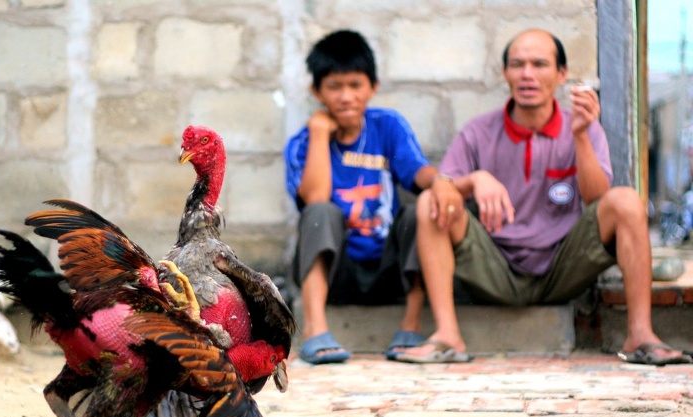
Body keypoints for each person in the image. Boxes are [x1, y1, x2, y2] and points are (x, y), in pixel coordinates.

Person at [391, 28, 692, 365]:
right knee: (432, 203)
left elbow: (597, 199)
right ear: (505, 73)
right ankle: (448, 335)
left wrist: (579, 137)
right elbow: (442, 186)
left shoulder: (584, 126)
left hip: (562, 267)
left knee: (624, 200)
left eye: (539, 64)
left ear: (561, 74)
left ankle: (640, 335)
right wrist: (474, 180)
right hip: (494, 267)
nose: (527, 74)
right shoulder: (479, 131)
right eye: (517, 65)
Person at [284, 29, 460, 364]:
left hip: (389, 268)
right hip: (338, 270)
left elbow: (415, 170)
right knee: (319, 212)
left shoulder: (387, 126)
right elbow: (316, 198)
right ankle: (316, 330)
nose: (346, 96)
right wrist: (321, 134)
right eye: (335, 87)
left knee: (414, 214)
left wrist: (440, 180)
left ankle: (410, 325)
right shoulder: (303, 143)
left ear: (373, 87)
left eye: (355, 85)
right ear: (316, 91)